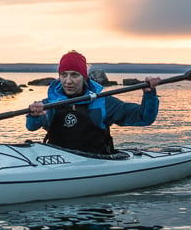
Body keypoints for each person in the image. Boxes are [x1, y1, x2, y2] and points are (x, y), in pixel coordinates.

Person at [27, 50, 161, 154]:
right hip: (59, 163)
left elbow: (144, 118)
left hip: (97, 162)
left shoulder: (103, 103)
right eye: (64, 75)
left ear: (84, 77)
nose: (68, 81)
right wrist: (34, 115)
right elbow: (31, 127)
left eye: (74, 75)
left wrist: (149, 95)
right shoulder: (50, 104)